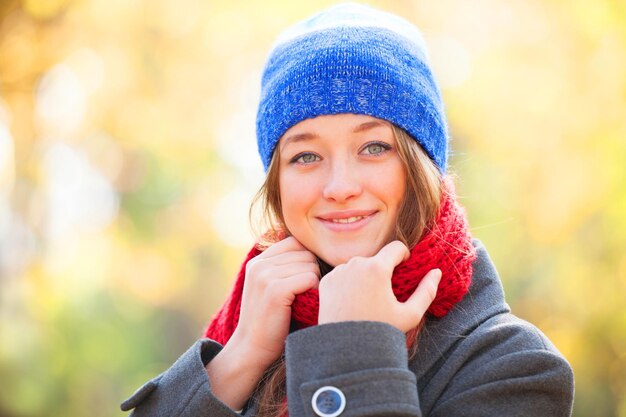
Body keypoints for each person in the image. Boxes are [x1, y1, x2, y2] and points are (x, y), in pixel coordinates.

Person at [121, 3, 574, 417]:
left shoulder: (515, 367)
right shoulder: (256, 326)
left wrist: (353, 345)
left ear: (422, 166)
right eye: (305, 156)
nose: (339, 187)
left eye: (374, 147)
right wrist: (242, 354)